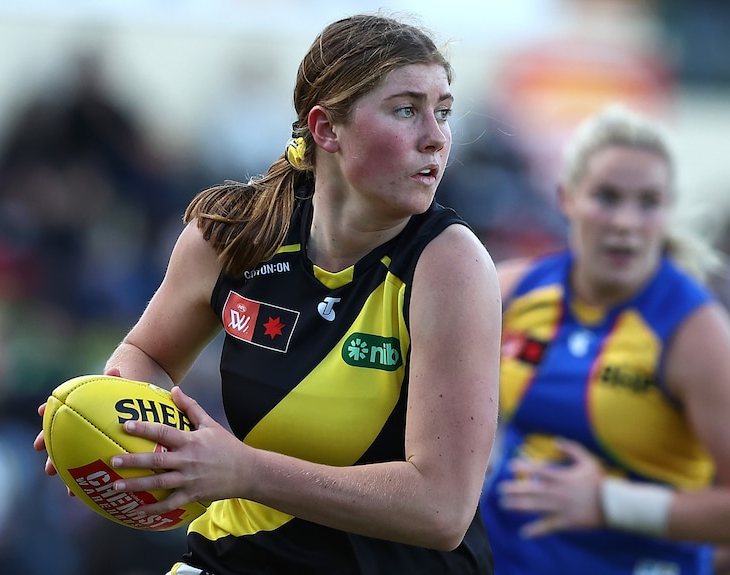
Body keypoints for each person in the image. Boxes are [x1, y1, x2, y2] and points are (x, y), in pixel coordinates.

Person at [34, 13, 501, 575]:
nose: (436, 137)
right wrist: (119, 429)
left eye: (443, 111)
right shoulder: (233, 233)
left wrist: (242, 470)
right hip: (235, 556)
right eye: (406, 109)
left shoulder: (451, 264)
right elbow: (147, 356)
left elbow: (440, 509)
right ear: (326, 129)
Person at [479, 103, 730, 574]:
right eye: (607, 197)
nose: (626, 222)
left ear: (666, 213)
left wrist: (608, 502)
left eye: (648, 203)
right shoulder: (514, 290)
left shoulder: (693, 331)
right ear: (566, 199)